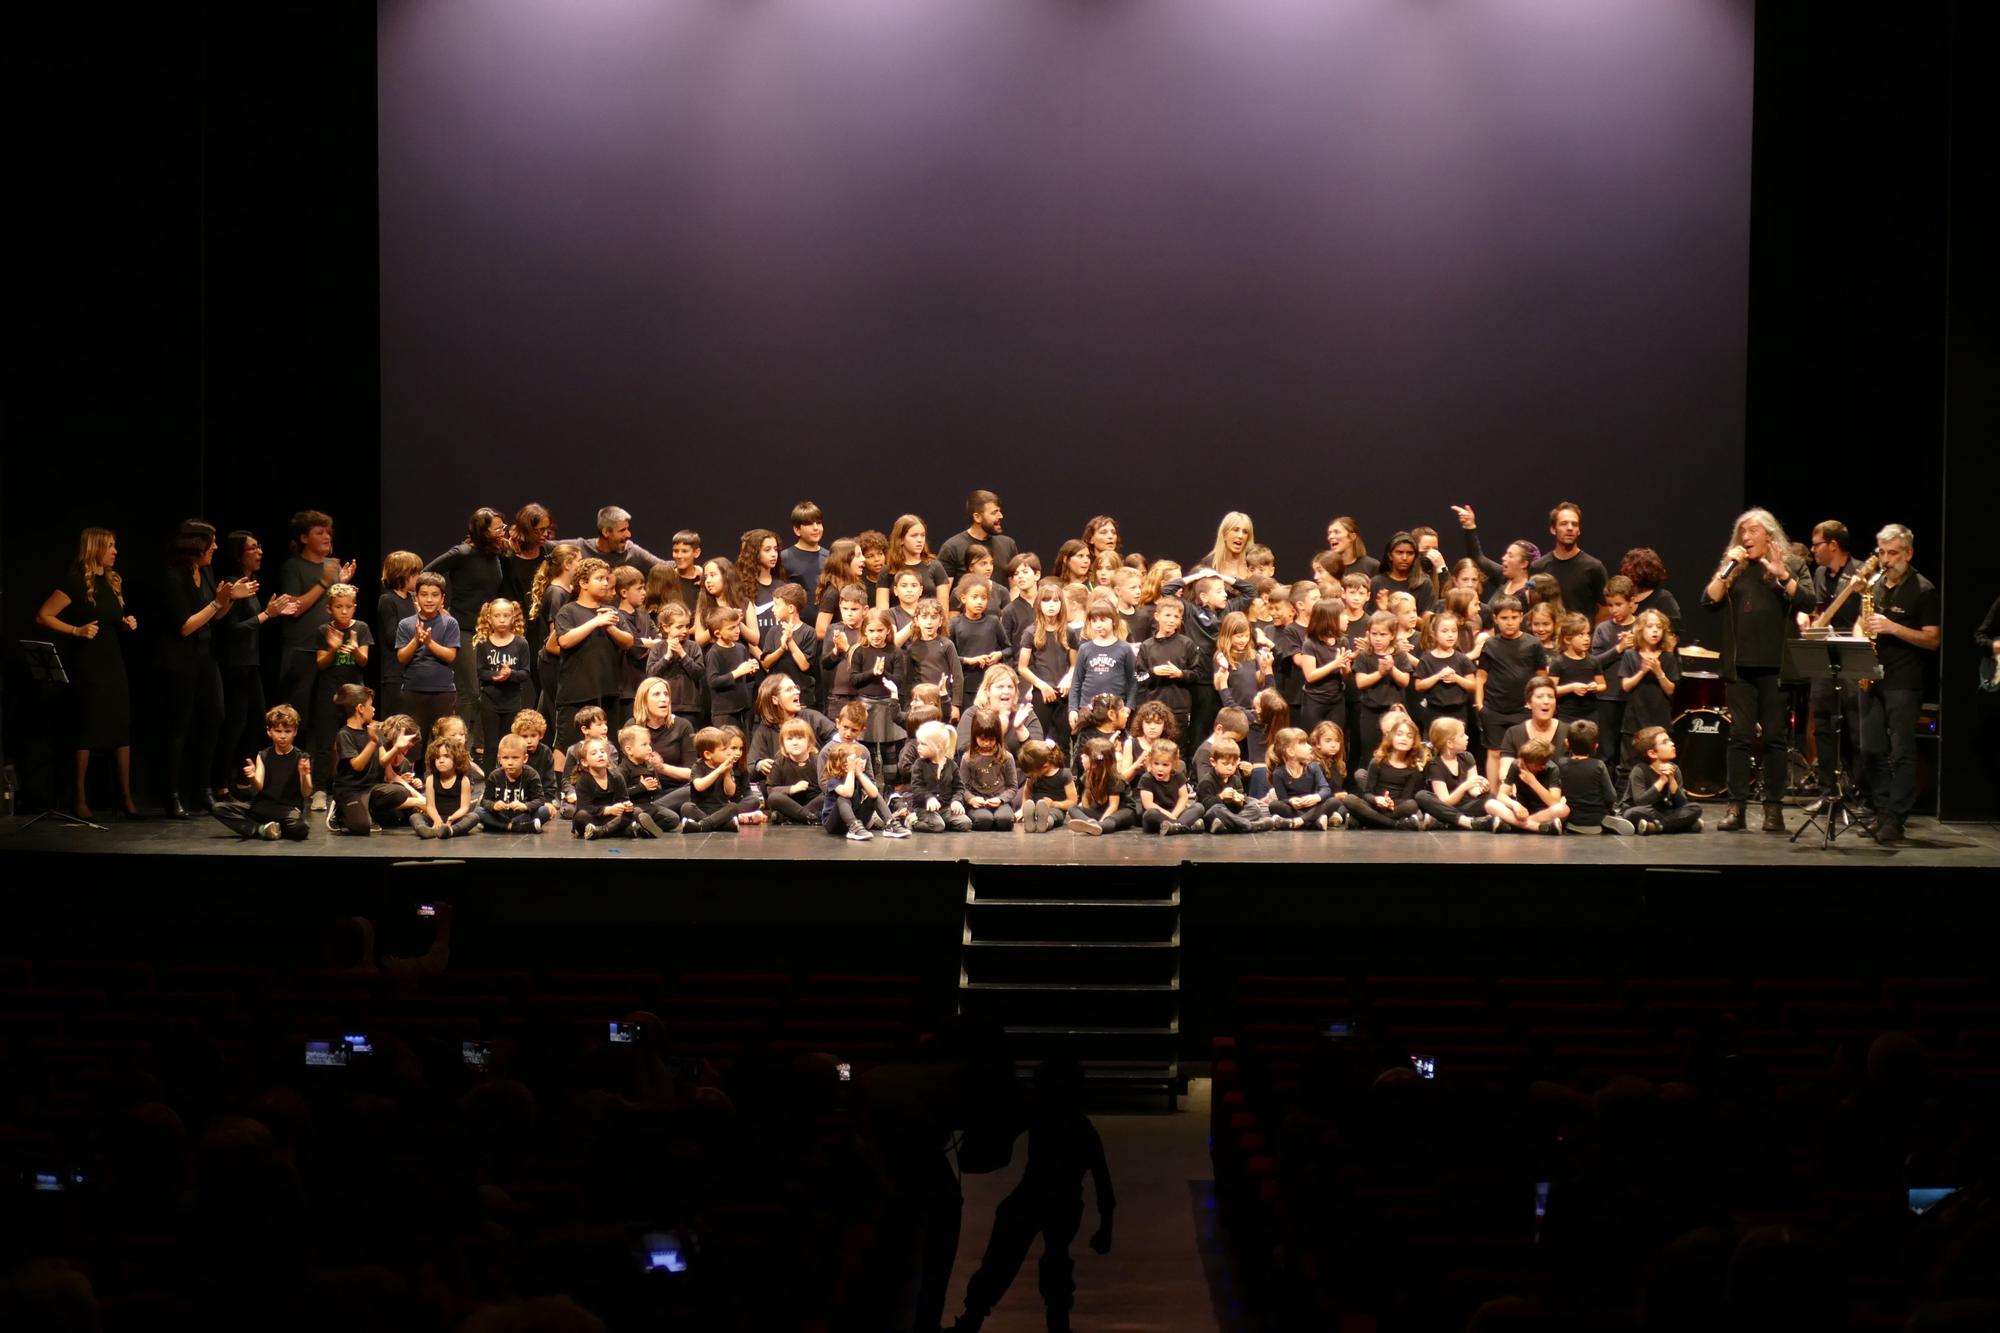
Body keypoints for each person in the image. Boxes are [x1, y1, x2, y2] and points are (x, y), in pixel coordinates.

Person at [1700, 507, 1813, 832]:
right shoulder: (1734, 569)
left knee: (1776, 739)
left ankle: (1773, 810)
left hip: (1777, 668)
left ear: (1769, 534)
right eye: (1742, 532)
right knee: (1740, 736)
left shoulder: (1791, 564)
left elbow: (1808, 600)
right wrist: (1726, 569)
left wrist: (1783, 576)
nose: (1746, 537)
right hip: (1740, 668)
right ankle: (1736, 808)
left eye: (1752, 531)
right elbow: (1707, 601)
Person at [35, 527, 140, 818]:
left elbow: (109, 619)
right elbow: (43, 615)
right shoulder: (75, 581)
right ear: (94, 548)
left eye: (115, 546)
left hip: (113, 663)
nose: (115, 552)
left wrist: (125, 622)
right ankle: (79, 799)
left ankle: (126, 797)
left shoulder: (112, 581)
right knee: (87, 728)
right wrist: (75, 630)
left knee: (121, 726)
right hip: (88, 665)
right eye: (109, 546)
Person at [158, 520, 251, 819]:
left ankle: (204, 790)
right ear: (196, 544)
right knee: (179, 727)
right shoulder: (174, 576)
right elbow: (185, 626)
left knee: (215, 718)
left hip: (204, 657)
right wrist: (217, 602)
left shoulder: (206, 571)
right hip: (178, 660)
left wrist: (228, 600)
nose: (215, 546)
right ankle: (172, 795)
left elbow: (215, 616)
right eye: (211, 541)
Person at [1860, 524, 1941, 843]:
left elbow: (1933, 639)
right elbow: (1863, 621)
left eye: (1893, 553)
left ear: (1908, 554)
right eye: (1882, 552)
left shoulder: (1923, 589)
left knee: (1901, 751)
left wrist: (1893, 627)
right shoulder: (1876, 584)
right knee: (1869, 750)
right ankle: (1881, 810)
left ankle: (1896, 817)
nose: (1886, 559)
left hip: (1903, 681)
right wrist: (1858, 634)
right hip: (1872, 676)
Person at [214, 531, 295, 797]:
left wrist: (271, 614)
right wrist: (265, 615)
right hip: (234, 663)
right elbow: (230, 629)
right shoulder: (231, 584)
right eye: (252, 548)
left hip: (251, 663)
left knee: (257, 720)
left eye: (259, 547)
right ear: (239, 553)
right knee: (236, 723)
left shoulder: (252, 582)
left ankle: (243, 778)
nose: (259, 552)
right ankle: (222, 782)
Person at [426, 507, 507, 758]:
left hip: (488, 632)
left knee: (485, 692)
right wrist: (440, 608)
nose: (502, 532)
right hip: (464, 629)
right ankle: (457, 750)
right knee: (470, 692)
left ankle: (475, 749)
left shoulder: (494, 553)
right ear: (482, 531)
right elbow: (426, 574)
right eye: (497, 528)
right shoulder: (462, 553)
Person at [273, 510, 356, 755]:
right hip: (302, 649)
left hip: (330, 649)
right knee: (298, 713)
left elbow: (336, 607)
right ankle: (294, 770)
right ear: (304, 538)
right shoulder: (293, 566)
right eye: (319, 532)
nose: (326, 536)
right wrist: (324, 582)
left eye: (328, 532)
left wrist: (341, 584)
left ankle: (324, 776)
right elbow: (294, 608)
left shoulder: (333, 566)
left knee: (328, 714)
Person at [1801, 520, 1868, 811]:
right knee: (1824, 725)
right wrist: (1806, 618)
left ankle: (1862, 793)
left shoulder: (1862, 571)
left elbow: (1869, 609)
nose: (1813, 550)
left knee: (1855, 726)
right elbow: (1817, 610)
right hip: (1824, 655)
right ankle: (1828, 793)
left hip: (1852, 657)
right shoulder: (1818, 573)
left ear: (1833, 545)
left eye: (1816, 544)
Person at [212, 703, 311, 841]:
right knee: (219, 808)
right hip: (261, 809)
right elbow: (259, 786)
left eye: (287, 731)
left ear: (295, 731)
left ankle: (270, 828)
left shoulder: (301, 757)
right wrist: (252, 777)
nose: (282, 736)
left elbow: (306, 792)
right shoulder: (263, 755)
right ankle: (260, 830)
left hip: (287, 811)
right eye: (278, 731)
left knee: (301, 828)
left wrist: (304, 775)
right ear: (269, 731)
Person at [395, 571, 462, 744]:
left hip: (442, 691)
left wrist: (429, 643)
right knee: (413, 743)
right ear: (416, 597)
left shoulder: (450, 623)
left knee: (441, 743)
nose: (429, 600)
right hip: (413, 690)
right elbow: (402, 657)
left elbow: (450, 656)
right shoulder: (406, 624)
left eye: (434, 595)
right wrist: (416, 641)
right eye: (424, 595)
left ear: (442, 598)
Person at [1340, 711, 1427, 830]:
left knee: (1412, 805)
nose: (1404, 739)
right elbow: (1367, 793)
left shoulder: (1413, 768)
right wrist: (1377, 799)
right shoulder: (1377, 761)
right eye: (1399, 734)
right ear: (1391, 737)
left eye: (1409, 736)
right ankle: (1395, 825)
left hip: (1395, 808)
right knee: (1349, 799)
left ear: (1413, 742)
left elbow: (1406, 798)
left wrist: (1391, 803)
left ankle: (1365, 820)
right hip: (1376, 804)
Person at [1615, 725, 1704, 834]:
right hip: (1642, 810)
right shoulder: (1639, 770)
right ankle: (1683, 824)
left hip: (1663, 811)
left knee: (1695, 808)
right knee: (1632, 813)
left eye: (1670, 740)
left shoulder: (1674, 769)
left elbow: (1682, 804)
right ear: (1652, 753)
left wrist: (1671, 779)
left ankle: (1657, 827)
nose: (1672, 744)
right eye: (1665, 742)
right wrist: (1662, 780)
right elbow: (1640, 802)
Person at [1449, 503, 1535, 605]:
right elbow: (1477, 559)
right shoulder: (1504, 579)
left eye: (1510, 555)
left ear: (1524, 563)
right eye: (1506, 554)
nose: (1504, 558)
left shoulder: (1531, 593)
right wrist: (1469, 527)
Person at [1416, 715, 1492, 831]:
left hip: (1464, 806)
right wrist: (1464, 787)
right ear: (1450, 744)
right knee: (1422, 796)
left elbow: (1473, 791)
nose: (1467, 737)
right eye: (1462, 735)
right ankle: (1467, 822)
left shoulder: (1467, 757)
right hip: (1445, 806)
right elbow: (1445, 801)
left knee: (1491, 797)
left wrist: (1482, 789)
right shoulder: (1435, 765)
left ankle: (1445, 821)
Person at [1533, 501, 1608, 618]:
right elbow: (1533, 607)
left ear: (1579, 530)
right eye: (1564, 524)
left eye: (1574, 524)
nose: (1570, 528)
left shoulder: (1594, 567)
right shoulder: (1538, 567)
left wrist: (1592, 633)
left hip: (1582, 634)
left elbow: (1606, 607)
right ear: (1553, 529)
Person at [1557, 720, 1625, 835]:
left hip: (1571, 819)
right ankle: (1608, 818)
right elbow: (1611, 796)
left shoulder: (1561, 764)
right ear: (1596, 746)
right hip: (1596, 819)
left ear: (1566, 743)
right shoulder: (1599, 765)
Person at [375, 550, 421, 718]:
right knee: (397, 722)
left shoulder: (412, 599)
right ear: (402, 574)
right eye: (415, 573)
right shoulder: (388, 600)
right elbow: (392, 636)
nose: (419, 577)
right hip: (395, 672)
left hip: (414, 669)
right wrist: (418, 635)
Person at [1488, 737, 1568, 834]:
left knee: (1563, 809)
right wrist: (1515, 805)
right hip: (1521, 811)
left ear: (1541, 766)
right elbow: (1501, 795)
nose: (1522, 763)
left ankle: (1514, 826)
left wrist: (1532, 782)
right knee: (1491, 804)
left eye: (1527, 763)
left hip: (1542, 813)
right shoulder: (1516, 765)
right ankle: (1539, 827)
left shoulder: (1552, 769)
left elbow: (1554, 802)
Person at [476, 732, 552, 834]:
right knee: (478, 812)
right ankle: (518, 827)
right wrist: (494, 805)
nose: (510, 762)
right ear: (500, 759)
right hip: (501, 816)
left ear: (524, 758)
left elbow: (540, 800)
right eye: (505, 758)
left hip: (523, 816)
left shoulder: (531, 775)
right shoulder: (494, 776)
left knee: (544, 811)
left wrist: (525, 806)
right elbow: (485, 801)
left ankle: (497, 827)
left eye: (515, 758)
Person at [939, 489, 1019, 583]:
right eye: (994, 512)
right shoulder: (952, 548)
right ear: (977, 517)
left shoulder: (1008, 544)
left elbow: (1016, 586)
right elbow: (943, 593)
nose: (1000, 516)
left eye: (999, 511)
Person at [959, 709, 1021, 830]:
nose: (987, 743)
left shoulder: (1006, 757)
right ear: (975, 736)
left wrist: (1001, 799)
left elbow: (1012, 787)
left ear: (997, 738)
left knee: (1004, 821)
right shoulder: (968, 759)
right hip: (978, 802)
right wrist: (971, 799)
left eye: (991, 739)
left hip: (999, 801)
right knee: (984, 821)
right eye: (982, 739)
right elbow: (962, 787)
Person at [563, 504, 663, 575]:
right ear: (606, 532)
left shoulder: (631, 552)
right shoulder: (580, 547)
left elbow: (665, 566)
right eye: (622, 530)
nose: (628, 534)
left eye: (627, 529)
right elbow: (547, 547)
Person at [1266, 727, 1335, 829]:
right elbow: (1282, 799)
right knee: (1274, 805)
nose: (1309, 747)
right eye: (1303, 744)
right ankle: (1314, 821)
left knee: (1333, 801)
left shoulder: (1314, 767)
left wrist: (1316, 797)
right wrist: (1291, 801)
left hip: (1314, 806)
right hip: (1295, 810)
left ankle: (1299, 822)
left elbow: (1325, 789)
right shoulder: (1279, 773)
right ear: (1291, 751)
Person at [412, 736, 479, 840]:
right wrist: (437, 819)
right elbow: (430, 806)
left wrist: (452, 819)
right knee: (415, 817)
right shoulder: (431, 779)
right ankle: (426, 830)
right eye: (437, 757)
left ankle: (450, 831)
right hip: (435, 819)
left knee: (473, 817)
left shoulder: (463, 781)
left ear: (457, 758)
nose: (441, 761)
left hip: (455, 819)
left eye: (446, 756)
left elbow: (464, 807)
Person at [1017, 738, 1079, 833]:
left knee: (1053, 815)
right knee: (1033, 809)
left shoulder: (1064, 774)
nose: (1030, 774)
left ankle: (1044, 823)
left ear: (1045, 765)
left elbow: (1072, 801)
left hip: (1054, 809)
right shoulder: (1033, 776)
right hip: (1034, 807)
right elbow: (1026, 792)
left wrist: (1053, 804)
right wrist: (1022, 808)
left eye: (1032, 770)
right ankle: (1031, 820)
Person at [780, 500, 828, 589]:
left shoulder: (830, 557)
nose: (816, 528)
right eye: (809, 524)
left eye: (818, 523)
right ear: (797, 530)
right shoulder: (784, 558)